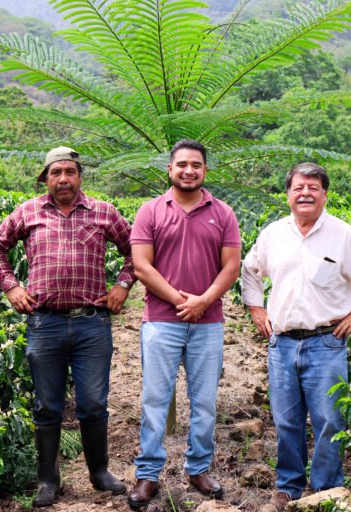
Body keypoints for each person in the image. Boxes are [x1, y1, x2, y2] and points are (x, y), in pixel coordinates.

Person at [0, 146, 135, 507]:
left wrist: (122, 284)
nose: (63, 179)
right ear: (46, 178)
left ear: (80, 176)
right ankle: (48, 481)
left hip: (92, 324)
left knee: (94, 404)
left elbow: (137, 250)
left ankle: (99, 473)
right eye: (56, 173)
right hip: (44, 323)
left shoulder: (103, 212)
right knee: (47, 406)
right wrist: (12, 286)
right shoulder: (28, 211)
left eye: (70, 172)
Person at [241, 162, 351, 510]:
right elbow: (249, 271)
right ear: (288, 194)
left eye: (313, 187)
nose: (305, 193)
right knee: (285, 420)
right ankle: (289, 487)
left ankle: (326, 489)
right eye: (298, 187)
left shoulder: (344, 235)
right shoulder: (273, 234)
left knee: (328, 420)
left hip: (326, 342)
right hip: (281, 344)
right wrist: (256, 309)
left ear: (325, 194)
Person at [127, 139, 241, 509]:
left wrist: (204, 301)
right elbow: (142, 265)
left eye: (196, 164)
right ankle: (148, 475)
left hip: (208, 324)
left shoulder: (222, 212)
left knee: (205, 402)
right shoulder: (150, 211)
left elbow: (231, 266)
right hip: (161, 321)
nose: (189, 170)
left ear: (205, 170)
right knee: (155, 400)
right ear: (170, 170)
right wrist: (181, 301)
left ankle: (198, 468)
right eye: (182, 165)